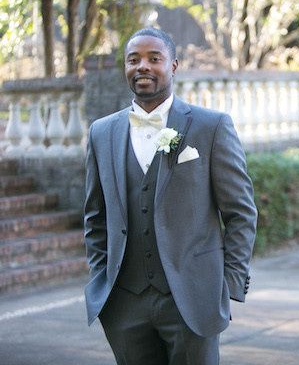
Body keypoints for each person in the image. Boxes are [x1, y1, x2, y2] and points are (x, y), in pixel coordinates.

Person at [83, 27, 257, 365]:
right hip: (124, 303)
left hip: (193, 300)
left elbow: (241, 213)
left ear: (173, 66)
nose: (142, 67)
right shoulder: (101, 132)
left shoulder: (211, 126)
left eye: (154, 58)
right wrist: (101, 275)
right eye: (133, 60)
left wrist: (228, 284)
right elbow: (95, 216)